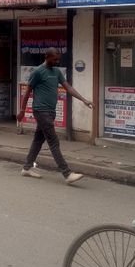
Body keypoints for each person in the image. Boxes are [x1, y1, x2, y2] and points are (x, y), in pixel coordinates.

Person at [17, 47, 92, 185]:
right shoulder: (38, 72)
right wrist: (22, 110)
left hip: (50, 111)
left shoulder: (56, 72)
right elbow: (27, 92)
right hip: (41, 111)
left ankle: (26, 168)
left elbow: (68, 88)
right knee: (53, 141)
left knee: (38, 140)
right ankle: (67, 174)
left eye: (59, 59)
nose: (57, 61)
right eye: (55, 59)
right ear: (46, 57)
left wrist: (84, 100)